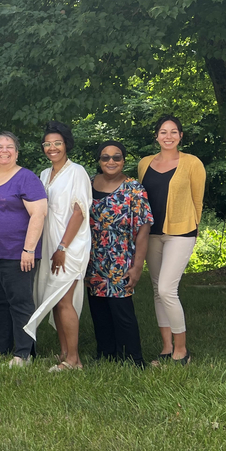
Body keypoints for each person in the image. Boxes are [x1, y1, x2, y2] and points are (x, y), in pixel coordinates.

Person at [137, 115, 205, 366]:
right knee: (157, 291)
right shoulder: (144, 163)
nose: (168, 136)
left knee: (167, 289)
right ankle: (166, 348)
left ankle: (182, 350)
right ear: (156, 136)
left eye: (173, 131)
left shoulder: (192, 163)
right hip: (151, 233)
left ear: (181, 136)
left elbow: (198, 201)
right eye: (163, 132)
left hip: (181, 232)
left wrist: (194, 231)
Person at [0, 131, 47, 368]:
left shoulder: (26, 178)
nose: (4, 150)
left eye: (9, 147)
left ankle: (24, 353)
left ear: (16, 153)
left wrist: (29, 250)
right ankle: (1, 349)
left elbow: (39, 214)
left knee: (20, 302)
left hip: (18, 252)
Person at [24, 121, 91, 372]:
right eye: (47, 144)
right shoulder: (44, 175)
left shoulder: (77, 172)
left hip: (69, 246)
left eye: (57, 143)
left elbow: (79, 212)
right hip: (49, 246)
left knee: (64, 300)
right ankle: (64, 353)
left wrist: (63, 247)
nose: (52, 148)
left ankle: (74, 360)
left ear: (66, 145)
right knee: (55, 300)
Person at [87, 141, 153, 367]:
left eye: (116, 157)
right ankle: (106, 354)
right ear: (99, 161)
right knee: (98, 308)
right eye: (105, 157)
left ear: (124, 160)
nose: (111, 161)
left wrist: (137, 266)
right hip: (93, 256)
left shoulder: (134, 189)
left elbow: (144, 228)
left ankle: (133, 358)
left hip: (120, 257)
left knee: (121, 309)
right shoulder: (88, 184)